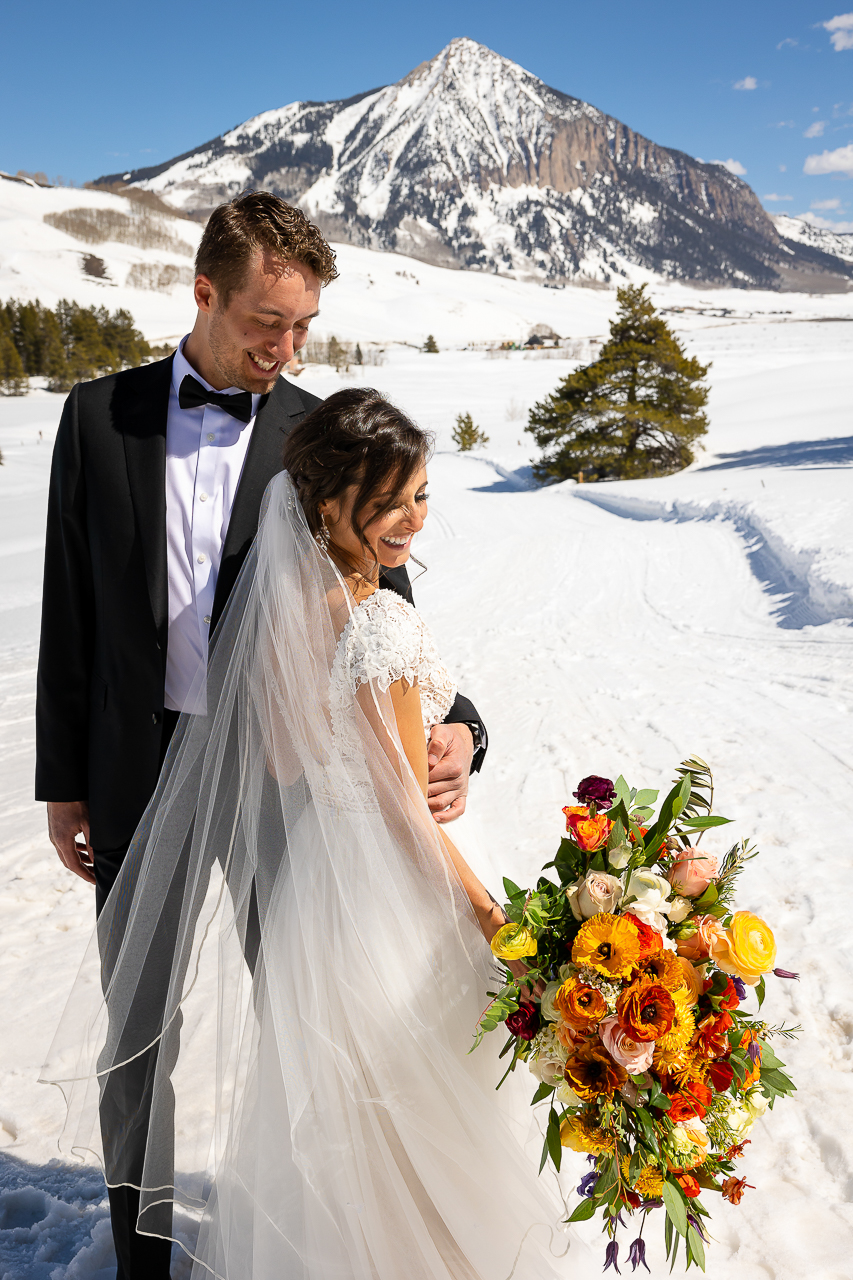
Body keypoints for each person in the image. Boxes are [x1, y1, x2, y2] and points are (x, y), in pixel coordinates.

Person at [35, 193, 487, 1280]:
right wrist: (63, 782)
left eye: (304, 326)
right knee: (137, 1036)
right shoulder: (96, 419)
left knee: (310, 1018)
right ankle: (140, 1253)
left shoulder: (317, 426)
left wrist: (464, 728)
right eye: (266, 324)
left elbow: (388, 597)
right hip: (137, 779)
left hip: (284, 788)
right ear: (204, 293)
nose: (287, 350)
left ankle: (307, 1235)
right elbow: (69, 610)